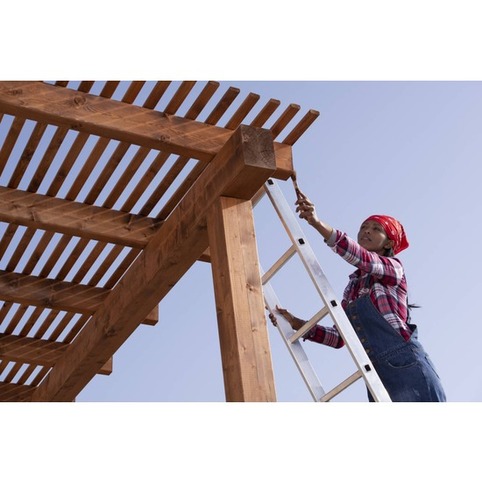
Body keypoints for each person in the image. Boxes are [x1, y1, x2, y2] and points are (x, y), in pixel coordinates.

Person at [270, 190, 446, 402]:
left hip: (406, 363)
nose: (366, 231)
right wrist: (298, 323)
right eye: (363, 227)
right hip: (374, 373)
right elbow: (340, 338)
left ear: (388, 243)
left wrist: (317, 223)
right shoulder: (352, 288)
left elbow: (363, 259)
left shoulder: (394, 269)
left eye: (376, 229)